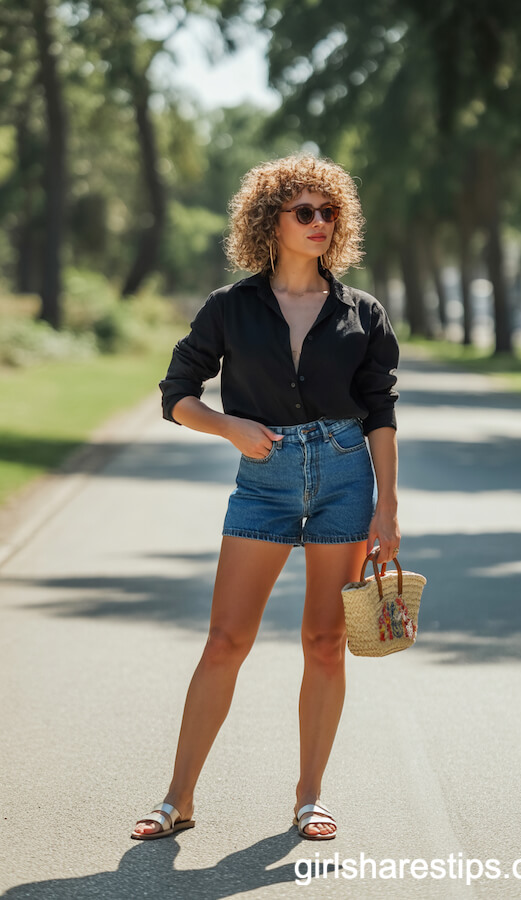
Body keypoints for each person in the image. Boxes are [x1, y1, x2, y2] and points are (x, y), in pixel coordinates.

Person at [131, 155, 401, 842]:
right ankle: (176, 798)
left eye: (328, 212)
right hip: (265, 478)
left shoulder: (360, 312)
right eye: (303, 212)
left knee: (324, 640)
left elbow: (380, 412)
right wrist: (229, 427)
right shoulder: (229, 308)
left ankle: (310, 796)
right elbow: (177, 398)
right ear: (269, 221)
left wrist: (387, 507)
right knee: (226, 639)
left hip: (345, 475)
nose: (318, 223)